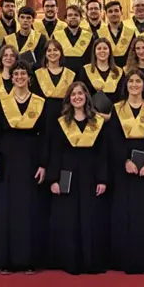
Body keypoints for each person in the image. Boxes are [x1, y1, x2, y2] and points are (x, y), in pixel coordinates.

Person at [0, 63, 50, 274]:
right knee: (7, 210)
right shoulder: (3, 103)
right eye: (16, 74)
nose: (19, 77)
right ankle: (7, 260)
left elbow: (45, 136)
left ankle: (29, 260)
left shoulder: (39, 103)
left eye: (23, 74)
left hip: (31, 160)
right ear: (11, 78)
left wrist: (43, 164)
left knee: (29, 210)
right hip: (7, 160)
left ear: (29, 78)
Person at [108, 70, 144, 274]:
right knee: (125, 213)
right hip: (124, 168)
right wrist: (125, 160)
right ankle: (124, 258)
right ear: (126, 85)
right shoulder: (118, 109)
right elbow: (114, 138)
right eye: (131, 81)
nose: (134, 84)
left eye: (138, 81)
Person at [47, 82, 109, 274]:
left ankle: (90, 261)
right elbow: (55, 152)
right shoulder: (61, 122)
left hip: (91, 173)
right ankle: (71, 261)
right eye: (73, 94)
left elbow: (103, 153)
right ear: (69, 98)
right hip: (68, 173)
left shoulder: (96, 122)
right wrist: (53, 179)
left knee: (90, 217)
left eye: (81, 93)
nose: (77, 97)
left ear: (86, 97)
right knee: (70, 218)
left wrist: (102, 179)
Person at [33, 39, 76, 123]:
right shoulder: (38, 73)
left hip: (65, 114)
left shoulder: (70, 74)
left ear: (61, 52)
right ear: (45, 54)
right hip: (44, 116)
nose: (52, 53)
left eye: (55, 50)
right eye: (49, 50)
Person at [82, 38, 125, 110]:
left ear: (110, 51)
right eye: (99, 48)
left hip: (115, 113)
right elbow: (84, 94)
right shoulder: (85, 70)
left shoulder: (119, 71)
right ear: (94, 52)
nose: (102, 51)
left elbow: (122, 95)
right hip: (92, 113)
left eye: (105, 48)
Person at [53, 5, 93, 72]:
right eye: (70, 15)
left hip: (83, 75)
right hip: (62, 75)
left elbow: (91, 59)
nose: (73, 17)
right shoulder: (57, 36)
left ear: (80, 18)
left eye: (76, 15)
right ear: (65, 19)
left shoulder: (89, 36)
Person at [102, 1, 134, 68]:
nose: (113, 14)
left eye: (116, 11)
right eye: (110, 11)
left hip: (127, 72)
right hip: (106, 71)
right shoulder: (100, 34)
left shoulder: (130, 33)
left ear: (121, 13)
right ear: (106, 14)